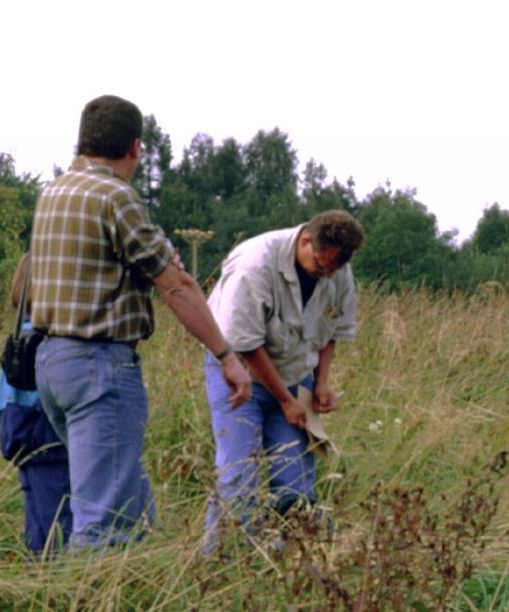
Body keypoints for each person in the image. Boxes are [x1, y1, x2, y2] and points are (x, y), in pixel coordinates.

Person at [30, 95, 252, 551]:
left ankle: (146, 579)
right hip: (99, 366)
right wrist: (226, 355)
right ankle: (87, 598)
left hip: (51, 363)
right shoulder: (115, 197)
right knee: (103, 520)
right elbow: (176, 287)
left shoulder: (53, 192)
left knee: (126, 499)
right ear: (136, 147)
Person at [202, 210, 364, 550]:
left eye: (334, 268)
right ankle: (223, 559)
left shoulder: (338, 271)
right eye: (322, 265)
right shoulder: (256, 264)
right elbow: (246, 344)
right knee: (238, 472)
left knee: (296, 480)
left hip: (295, 376)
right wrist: (285, 401)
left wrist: (320, 383)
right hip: (238, 376)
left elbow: (331, 330)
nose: (327, 274)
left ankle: (291, 559)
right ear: (305, 240)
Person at [0, 253, 72, 556]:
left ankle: (37, 582)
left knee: (38, 524)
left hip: (20, 438)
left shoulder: (18, 338)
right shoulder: (46, 343)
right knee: (59, 527)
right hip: (47, 442)